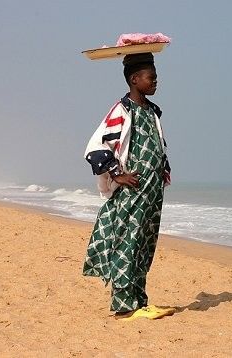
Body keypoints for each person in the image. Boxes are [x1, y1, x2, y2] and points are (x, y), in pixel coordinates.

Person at [82, 52, 173, 320]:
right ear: (135, 79)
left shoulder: (153, 111)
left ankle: (139, 301)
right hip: (132, 193)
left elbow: (158, 147)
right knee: (127, 244)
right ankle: (123, 306)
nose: (156, 82)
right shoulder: (122, 110)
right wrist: (117, 174)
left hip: (152, 192)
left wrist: (162, 173)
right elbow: (95, 146)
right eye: (151, 77)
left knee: (145, 246)